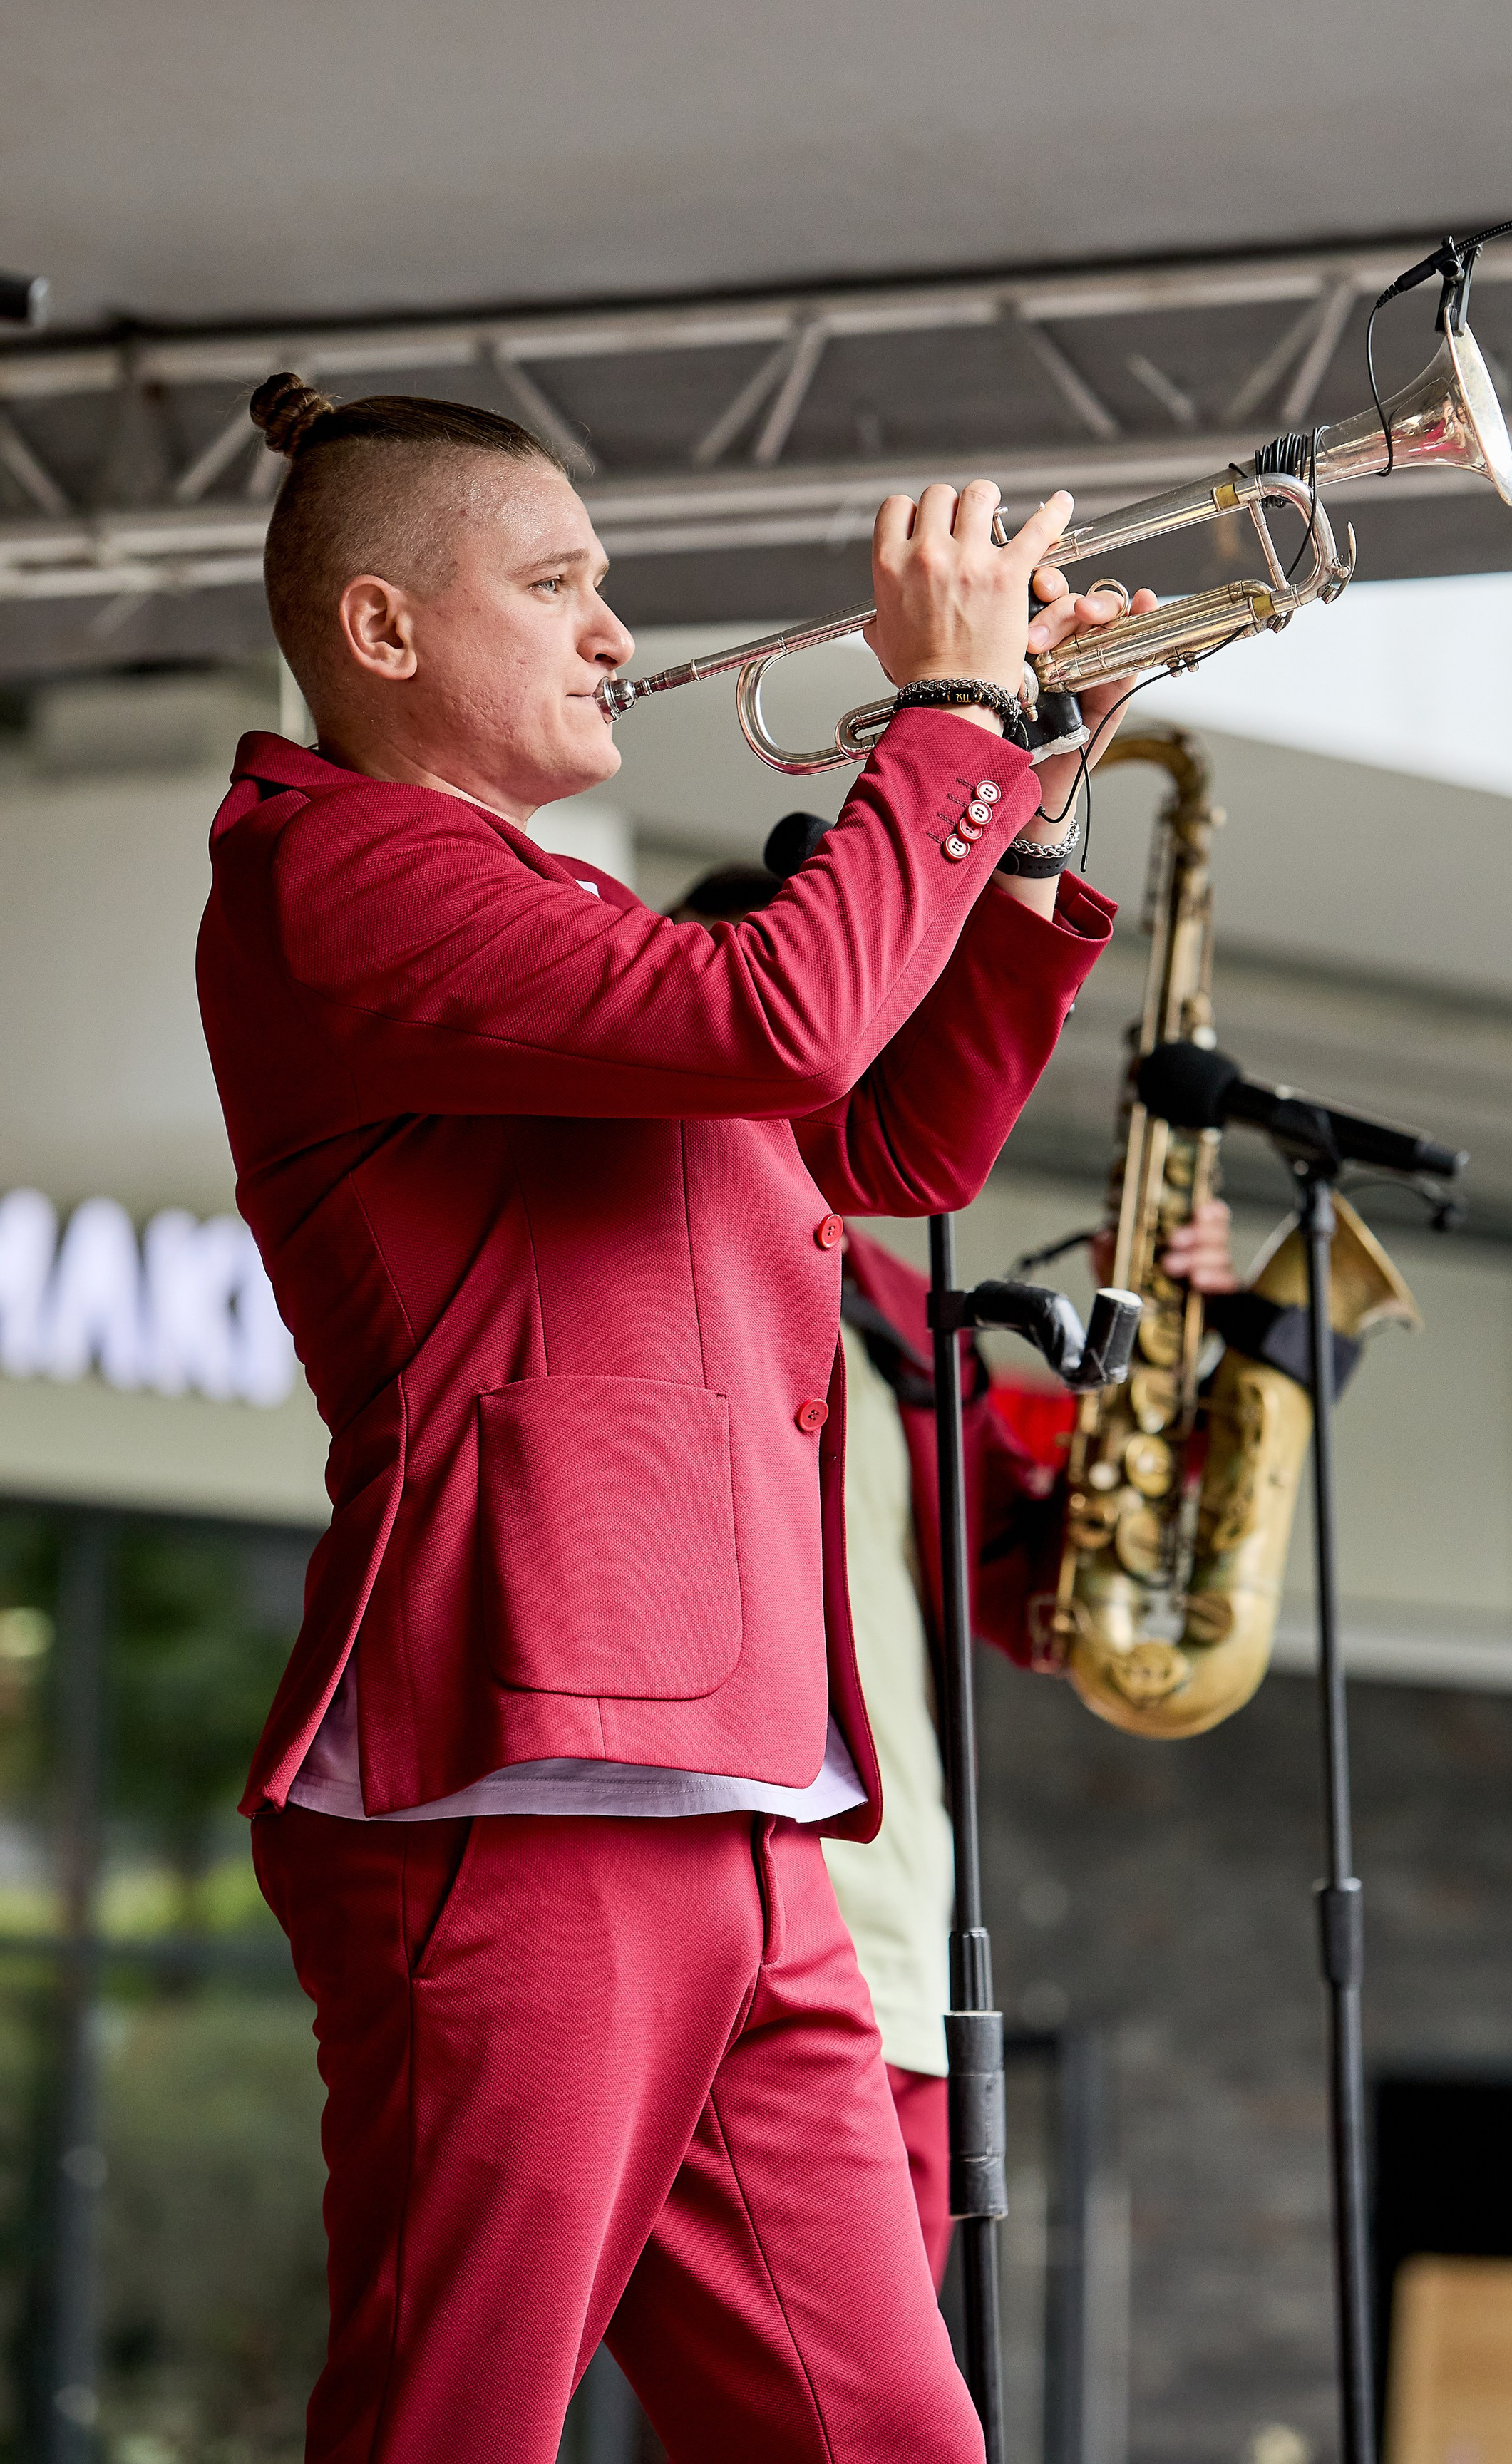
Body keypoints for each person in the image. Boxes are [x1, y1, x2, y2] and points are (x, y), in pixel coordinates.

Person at [199, 368, 1157, 2464]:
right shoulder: (340, 872)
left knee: (887, 2438)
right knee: (450, 2424)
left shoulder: (563, 918)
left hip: (737, 1789)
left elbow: (885, 1135)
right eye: (557, 586)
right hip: (525, 1774)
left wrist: (1033, 797)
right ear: (383, 634)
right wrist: (949, 726)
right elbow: (793, 1015)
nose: (618, 633)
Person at [669, 859, 1237, 2288]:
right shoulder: (635, 1231)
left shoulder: (901, 1307)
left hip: (898, 1951)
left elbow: (1025, 1596)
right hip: (711, 1929)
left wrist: (1157, 1361)